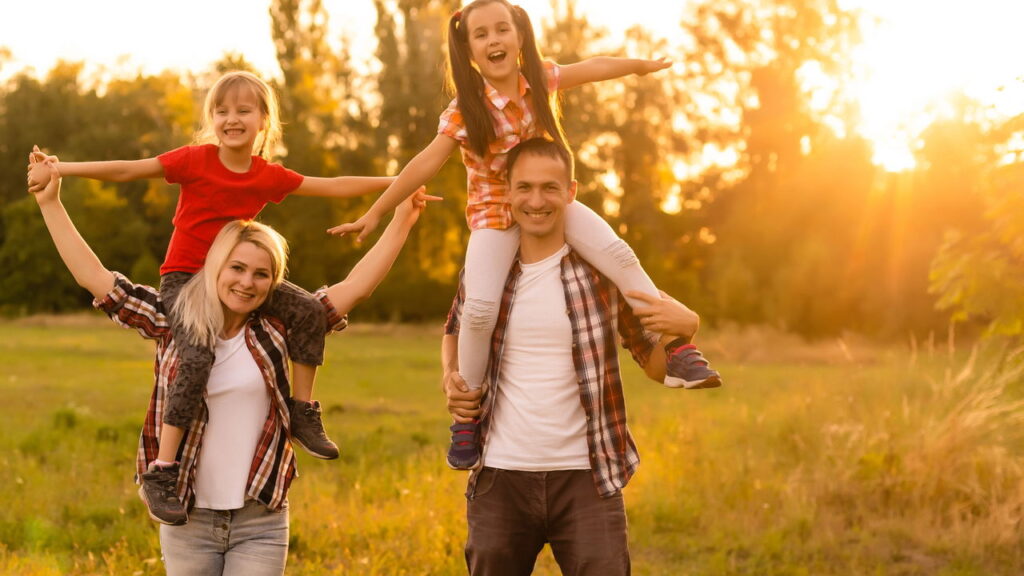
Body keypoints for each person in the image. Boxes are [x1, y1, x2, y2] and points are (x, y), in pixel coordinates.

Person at [328, 0, 720, 470]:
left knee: (618, 253)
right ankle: (467, 417)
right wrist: (376, 212)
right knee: (477, 310)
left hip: (549, 202)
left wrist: (637, 68)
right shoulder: (464, 110)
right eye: (482, 35)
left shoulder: (542, 79)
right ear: (469, 49)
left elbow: (594, 67)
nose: (494, 40)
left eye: (502, 30)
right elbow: (424, 163)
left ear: (519, 36)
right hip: (495, 214)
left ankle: (678, 349)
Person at [25, 70, 400, 523]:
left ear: (264, 120)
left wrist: (399, 183)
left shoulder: (266, 176)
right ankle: (163, 471)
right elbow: (127, 170)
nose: (231, 118)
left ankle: (302, 410)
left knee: (305, 311)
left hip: (237, 275)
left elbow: (334, 183)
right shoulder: (194, 160)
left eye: (243, 110)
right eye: (221, 110)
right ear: (211, 118)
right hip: (185, 281)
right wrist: (61, 169)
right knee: (196, 358)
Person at [28, 159, 434, 574]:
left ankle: (304, 413)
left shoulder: (277, 330)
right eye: (236, 268)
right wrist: (50, 203)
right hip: (188, 517)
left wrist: (402, 216)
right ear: (214, 267)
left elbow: (357, 287)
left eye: (262, 274)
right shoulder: (173, 318)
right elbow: (95, 278)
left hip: (261, 517)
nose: (246, 282)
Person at [442, 138, 709, 575]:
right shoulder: (488, 270)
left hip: (588, 477)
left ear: (571, 192)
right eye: (524, 187)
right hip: (500, 476)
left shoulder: (600, 273)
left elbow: (655, 365)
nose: (536, 201)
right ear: (507, 192)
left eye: (550, 188)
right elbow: (454, 329)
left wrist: (687, 327)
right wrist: (451, 377)